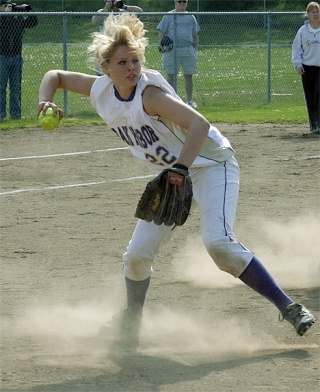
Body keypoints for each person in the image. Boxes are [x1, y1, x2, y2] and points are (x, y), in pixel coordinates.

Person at [38, 13, 316, 350]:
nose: (131, 68)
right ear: (106, 67)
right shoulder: (100, 90)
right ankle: (131, 320)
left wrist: (181, 169)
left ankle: (289, 306)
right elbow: (54, 75)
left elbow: (199, 124)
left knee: (219, 245)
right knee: (137, 256)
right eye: (122, 62)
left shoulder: (151, 96)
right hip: (177, 171)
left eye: (136, 60)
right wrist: (45, 100)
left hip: (212, 164)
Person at [157, 0, 200, 108]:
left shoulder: (191, 17)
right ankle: (171, 100)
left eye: (184, 1)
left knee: (188, 76)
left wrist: (195, 49)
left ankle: (189, 101)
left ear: (187, 3)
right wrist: (162, 45)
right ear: (175, 2)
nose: (181, 3)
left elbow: (195, 35)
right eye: (179, 1)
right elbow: (161, 32)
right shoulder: (168, 16)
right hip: (172, 50)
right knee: (170, 76)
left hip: (187, 49)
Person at [0, 0, 38, 121]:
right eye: (5, 6)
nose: (8, 8)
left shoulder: (17, 19)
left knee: (15, 88)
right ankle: (1, 115)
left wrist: (28, 10)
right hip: (2, 57)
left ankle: (15, 115)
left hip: (16, 56)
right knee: (1, 87)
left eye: (10, 6)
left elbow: (33, 23)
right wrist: (5, 15)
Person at [92, 0, 142, 76]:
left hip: (121, 46)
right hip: (106, 46)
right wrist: (106, 9)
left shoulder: (123, 12)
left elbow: (140, 12)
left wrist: (123, 6)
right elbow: (94, 21)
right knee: (102, 73)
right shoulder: (102, 12)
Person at [292, 1, 320, 134]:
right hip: (307, 68)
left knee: (318, 94)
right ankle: (313, 124)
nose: (316, 14)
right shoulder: (303, 31)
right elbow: (296, 49)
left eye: (317, 11)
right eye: (313, 12)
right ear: (308, 14)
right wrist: (298, 64)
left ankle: (319, 123)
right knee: (310, 96)